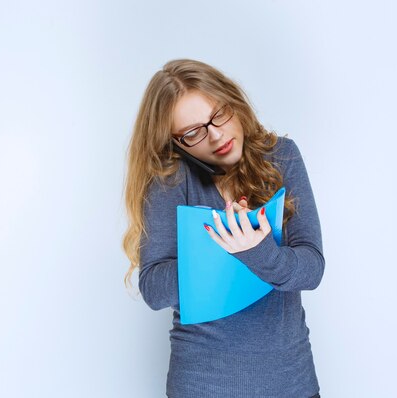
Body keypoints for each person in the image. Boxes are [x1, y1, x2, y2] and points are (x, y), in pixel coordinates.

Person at [122, 58, 325, 398]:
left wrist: (258, 252)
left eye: (219, 115)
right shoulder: (171, 180)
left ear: (234, 101)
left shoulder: (282, 157)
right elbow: (154, 289)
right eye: (193, 132)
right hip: (203, 387)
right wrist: (227, 245)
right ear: (175, 143)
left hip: (293, 384)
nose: (215, 136)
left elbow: (312, 269)